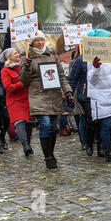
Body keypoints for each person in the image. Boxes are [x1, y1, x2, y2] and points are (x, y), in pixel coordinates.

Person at [19, 31, 74, 169]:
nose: (40, 43)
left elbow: (61, 75)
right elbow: (24, 81)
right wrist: (26, 69)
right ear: (32, 43)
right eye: (37, 41)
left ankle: (51, 152)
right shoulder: (27, 57)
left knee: (53, 128)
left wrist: (68, 91)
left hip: (53, 95)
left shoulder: (51, 54)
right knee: (45, 124)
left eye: (41, 40)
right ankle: (48, 156)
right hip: (38, 95)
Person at [86, 29, 111, 162]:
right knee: (107, 123)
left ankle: (104, 142)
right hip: (101, 96)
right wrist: (96, 67)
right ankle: (108, 150)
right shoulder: (93, 57)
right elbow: (91, 79)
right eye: (109, 39)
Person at [0, 48, 34, 157]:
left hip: (27, 98)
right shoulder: (5, 71)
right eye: (15, 53)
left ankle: (28, 144)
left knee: (28, 123)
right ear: (9, 57)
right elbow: (8, 87)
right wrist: (21, 84)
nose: (18, 55)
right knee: (19, 122)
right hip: (15, 100)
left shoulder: (23, 67)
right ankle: (25, 145)